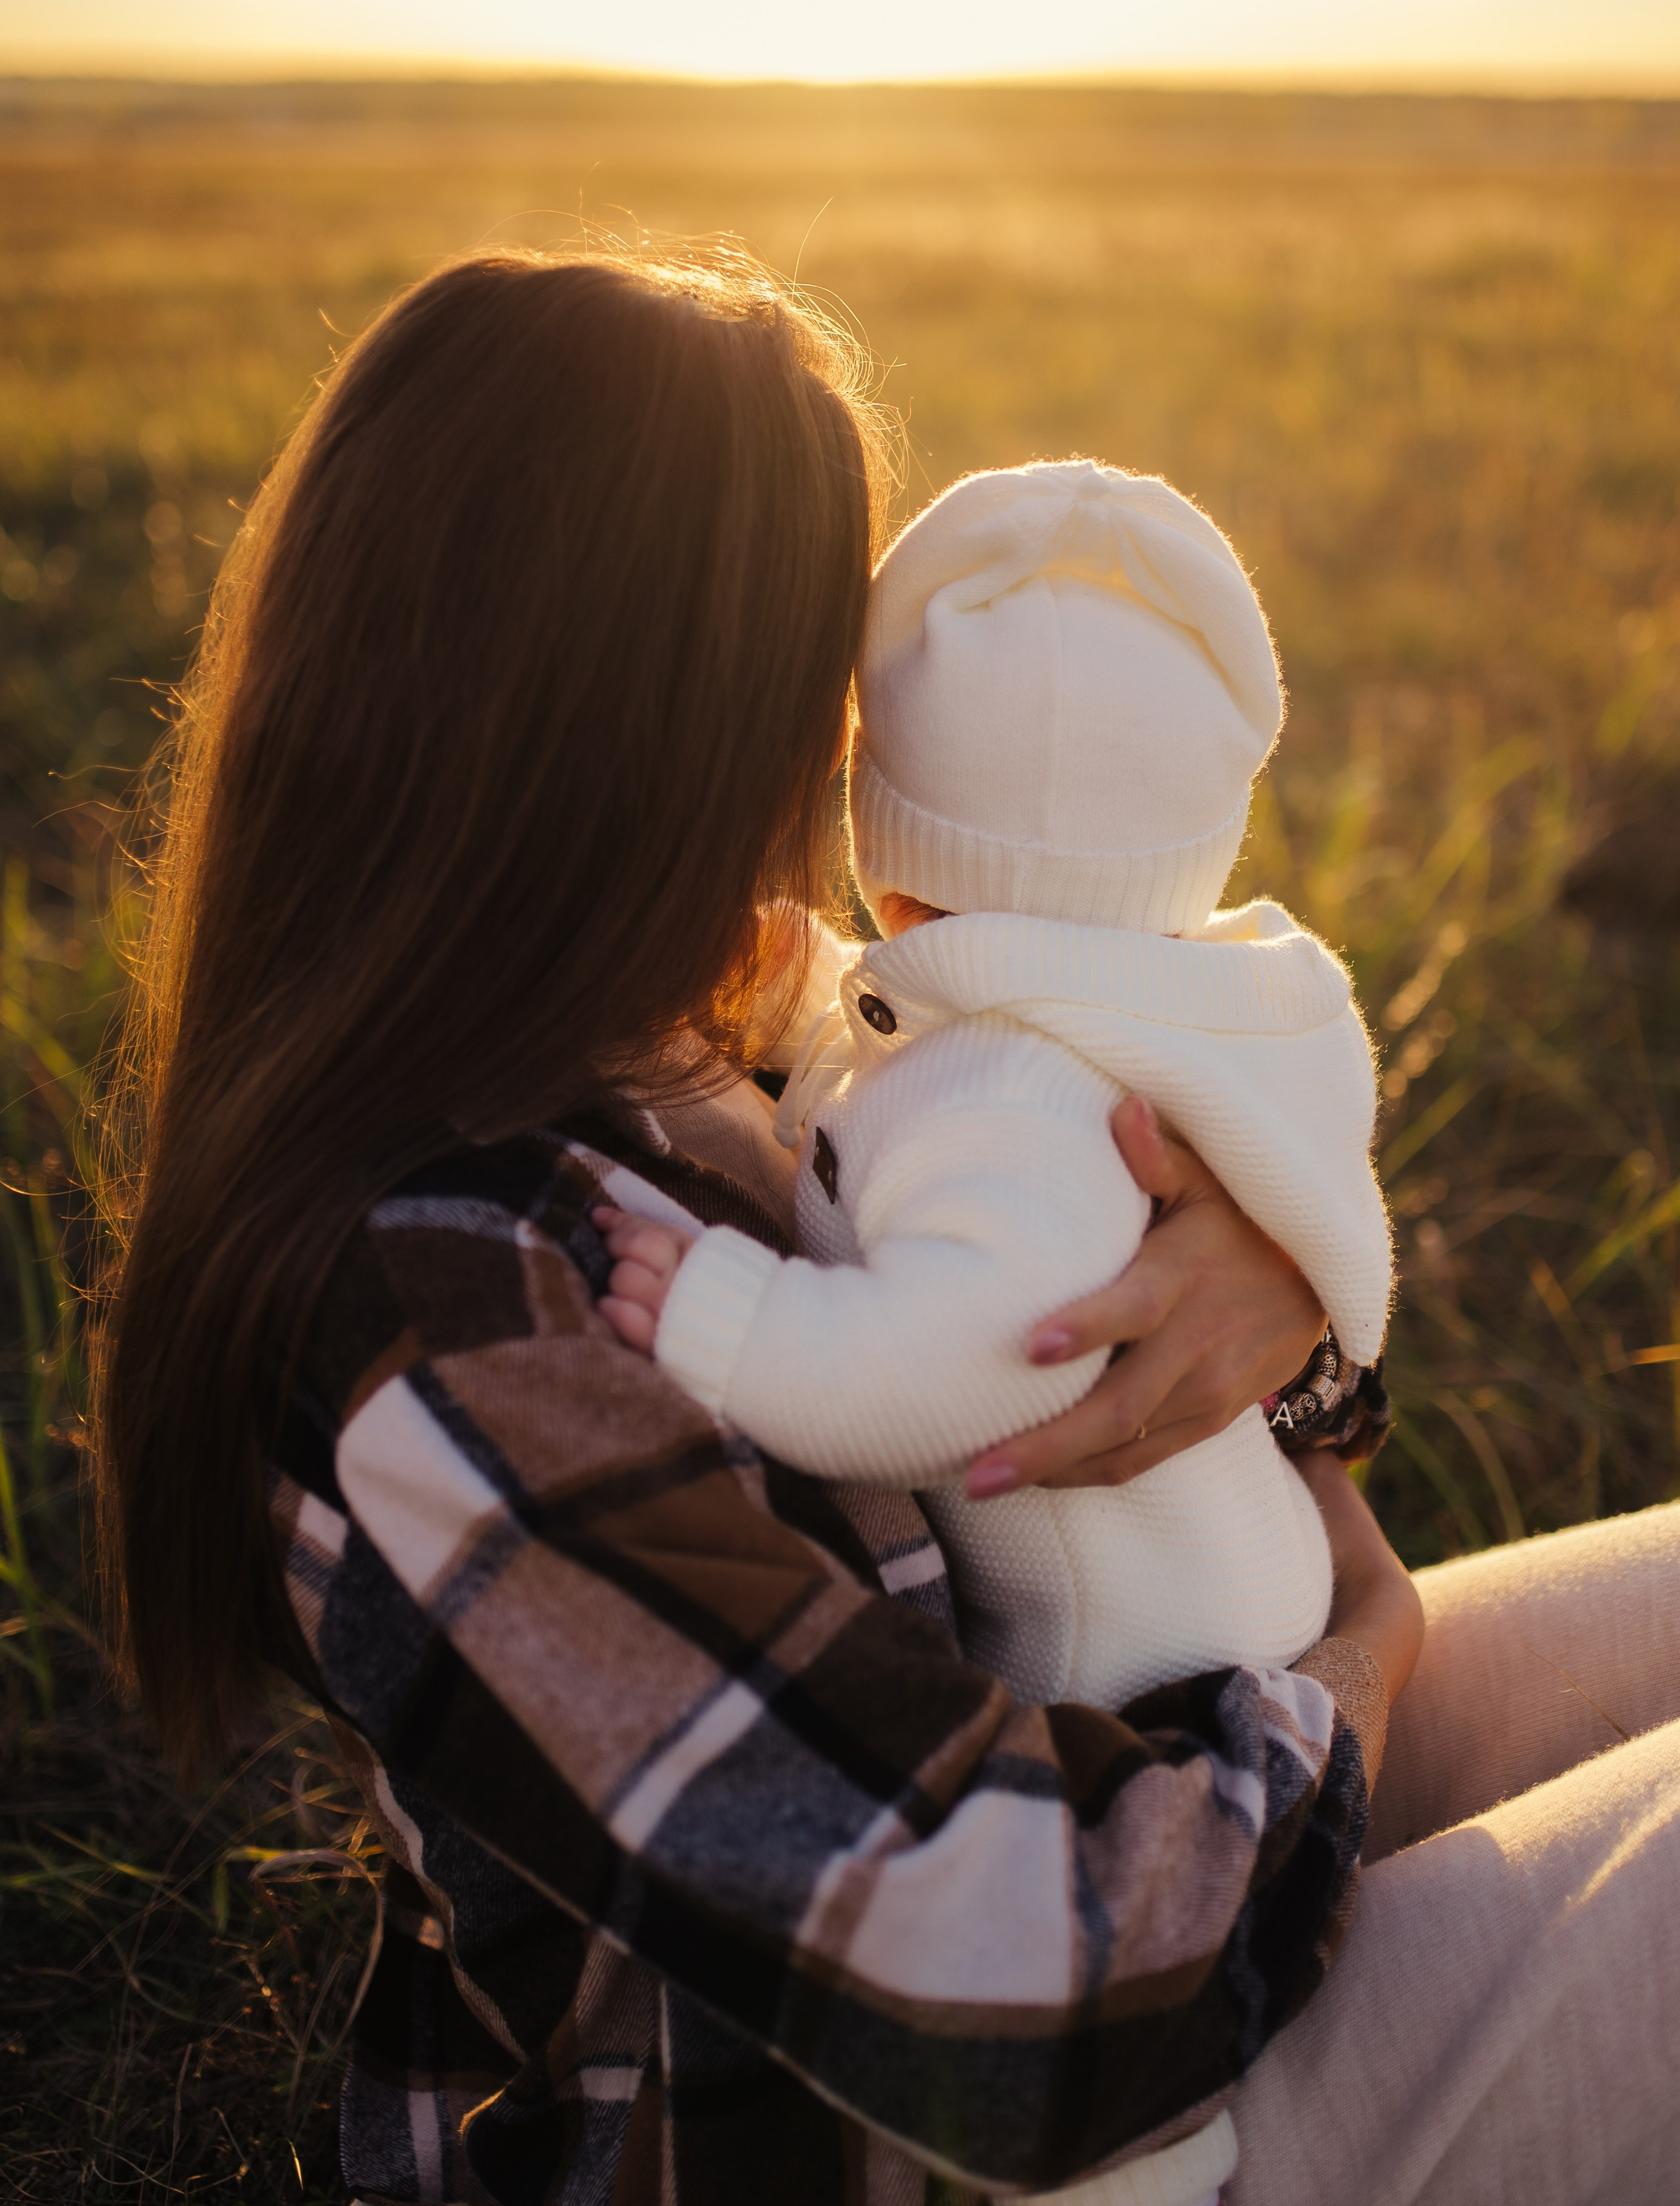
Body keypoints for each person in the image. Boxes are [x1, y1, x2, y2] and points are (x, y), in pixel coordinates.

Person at [92, 246, 1677, 2206]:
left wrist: (1277, 1286)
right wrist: (1360, 1664)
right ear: (654, 736)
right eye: (812, 697)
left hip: (1133, 1797)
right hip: (948, 2138)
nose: (840, 771)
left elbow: (1107, 1177)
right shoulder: (438, 1313)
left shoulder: (696, 1021)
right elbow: (1037, 2010)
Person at [595, 454, 1400, 2206]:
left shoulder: (1010, 1096)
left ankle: (1144, 2171)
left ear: (899, 856)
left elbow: (968, 1346)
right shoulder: (1125, 1008)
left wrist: (740, 1323)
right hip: (1238, 1593)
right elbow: (902, 1086)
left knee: (1129, 2096)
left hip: (1143, 1686)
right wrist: (813, 1018)